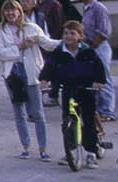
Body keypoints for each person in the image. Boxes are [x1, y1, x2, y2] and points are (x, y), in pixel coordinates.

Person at [0, 0, 59, 160]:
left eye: (13, 10)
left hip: (31, 73)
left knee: (37, 112)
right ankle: (26, 146)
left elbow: (48, 44)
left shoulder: (32, 28)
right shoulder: (0, 30)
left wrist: (69, 42)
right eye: (7, 11)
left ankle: (43, 149)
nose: (10, 13)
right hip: (12, 74)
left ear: (19, 11)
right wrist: (20, 46)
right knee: (19, 112)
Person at [40, 20, 107, 166]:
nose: (68, 36)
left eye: (72, 33)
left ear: (80, 36)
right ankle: (70, 150)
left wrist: (99, 81)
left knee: (88, 120)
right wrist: (44, 79)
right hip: (69, 88)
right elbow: (49, 66)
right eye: (66, 33)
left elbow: (99, 68)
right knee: (68, 119)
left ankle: (90, 151)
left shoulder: (87, 51)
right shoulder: (59, 52)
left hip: (86, 88)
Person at [73, 0, 115, 121]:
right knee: (92, 79)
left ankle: (108, 112)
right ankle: (97, 110)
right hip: (90, 46)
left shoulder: (98, 8)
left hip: (100, 47)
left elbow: (103, 31)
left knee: (104, 78)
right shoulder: (86, 8)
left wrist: (92, 48)